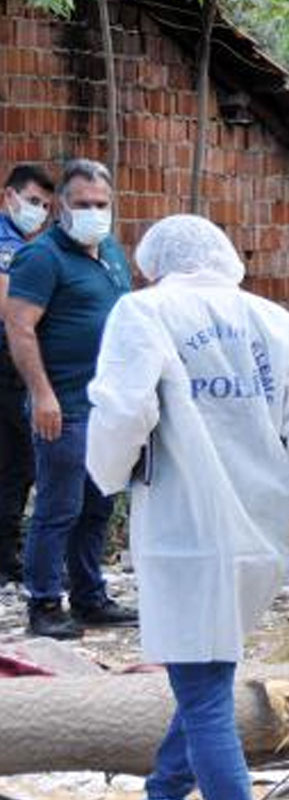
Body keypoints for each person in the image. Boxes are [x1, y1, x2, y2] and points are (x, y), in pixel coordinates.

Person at [86, 214, 289, 800]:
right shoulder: (269, 319)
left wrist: (106, 474)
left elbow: (124, 412)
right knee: (208, 672)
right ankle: (164, 790)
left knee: (204, 694)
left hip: (187, 527)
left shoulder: (144, 312)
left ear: (154, 263)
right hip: (263, 522)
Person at [4, 159, 136, 638]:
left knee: (99, 505)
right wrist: (42, 394)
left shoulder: (113, 254)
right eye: (82, 204)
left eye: (101, 204)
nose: (93, 212)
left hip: (109, 406)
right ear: (61, 205)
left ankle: (89, 596)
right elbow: (19, 328)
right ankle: (44, 604)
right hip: (63, 405)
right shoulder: (41, 258)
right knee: (59, 506)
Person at [0, 164, 54, 585]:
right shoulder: (7, 245)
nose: (38, 211)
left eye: (45, 206)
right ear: (9, 197)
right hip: (7, 361)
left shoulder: (23, 244)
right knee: (20, 460)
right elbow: (10, 311)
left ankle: (7, 556)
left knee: (16, 462)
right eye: (33, 202)